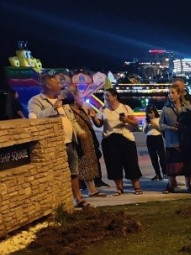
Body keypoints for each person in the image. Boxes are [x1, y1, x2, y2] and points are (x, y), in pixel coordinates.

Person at [28, 75, 91, 208]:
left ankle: (78, 199)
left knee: (74, 172)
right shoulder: (36, 101)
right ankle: (60, 202)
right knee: (57, 173)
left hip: (70, 142)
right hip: (53, 145)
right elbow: (34, 119)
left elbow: (71, 119)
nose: (60, 85)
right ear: (48, 85)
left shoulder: (63, 100)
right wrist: (53, 108)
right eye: (57, 83)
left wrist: (80, 132)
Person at [92, 88, 143, 196]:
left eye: (107, 95)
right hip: (109, 139)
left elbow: (135, 122)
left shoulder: (125, 107)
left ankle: (137, 187)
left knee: (131, 163)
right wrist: (93, 118)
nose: (105, 98)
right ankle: (119, 188)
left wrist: (126, 120)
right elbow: (99, 124)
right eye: (104, 96)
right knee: (113, 164)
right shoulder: (103, 109)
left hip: (125, 137)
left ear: (115, 97)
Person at [66, 85, 104, 198]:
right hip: (78, 142)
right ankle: (82, 192)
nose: (82, 100)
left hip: (88, 142)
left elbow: (96, 124)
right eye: (79, 97)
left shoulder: (82, 109)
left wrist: (93, 117)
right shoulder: (69, 110)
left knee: (89, 166)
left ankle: (92, 189)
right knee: (80, 168)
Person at [162, 88, 191, 193]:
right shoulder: (165, 108)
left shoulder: (187, 107)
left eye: (173, 92)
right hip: (172, 141)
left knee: (187, 164)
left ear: (179, 94)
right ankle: (171, 186)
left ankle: (188, 186)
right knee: (172, 165)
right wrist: (171, 128)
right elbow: (161, 124)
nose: (170, 95)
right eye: (169, 93)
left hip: (185, 140)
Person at [145, 105, 167, 181]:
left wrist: (154, 124)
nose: (150, 114)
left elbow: (161, 130)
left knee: (162, 157)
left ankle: (165, 173)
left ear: (155, 112)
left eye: (152, 112)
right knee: (153, 157)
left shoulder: (159, 119)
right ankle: (157, 174)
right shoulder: (146, 120)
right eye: (149, 113)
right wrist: (147, 125)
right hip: (150, 138)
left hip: (158, 137)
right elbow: (145, 132)